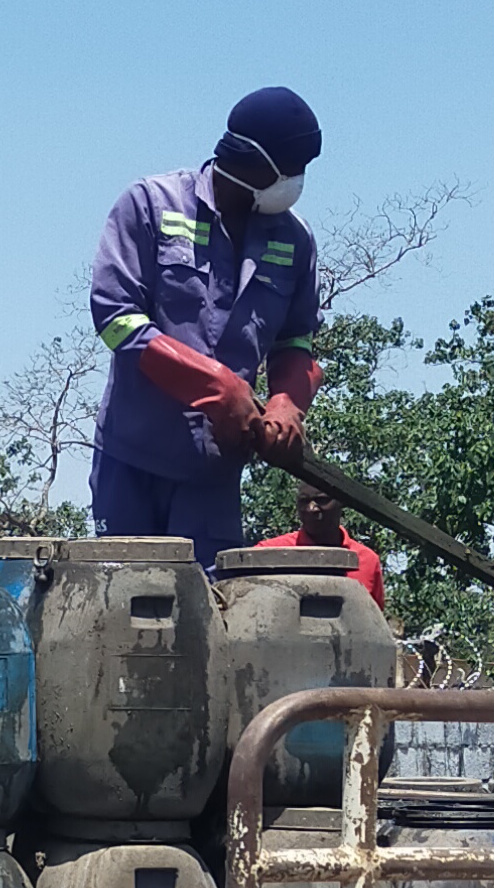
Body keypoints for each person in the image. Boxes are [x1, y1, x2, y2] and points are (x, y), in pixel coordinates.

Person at [88, 86, 324, 571]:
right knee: (124, 612)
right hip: (131, 462)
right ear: (253, 159)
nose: (298, 181)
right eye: (292, 168)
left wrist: (287, 401)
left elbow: (296, 340)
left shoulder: (295, 240)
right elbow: (115, 317)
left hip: (212, 477)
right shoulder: (150, 206)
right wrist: (215, 388)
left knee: (205, 621)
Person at [255, 484, 387, 607]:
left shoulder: (367, 560)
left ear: (341, 502)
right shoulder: (268, 553)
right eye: (303, 501)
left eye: (322, 500)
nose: (311, 508)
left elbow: (374, 622)